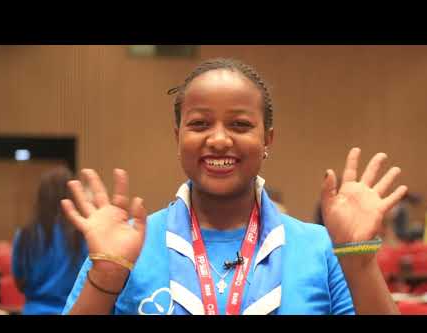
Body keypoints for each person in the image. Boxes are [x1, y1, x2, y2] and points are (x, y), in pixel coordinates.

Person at [61, 58, 407, 315]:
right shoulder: (126, 246)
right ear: (177, 137)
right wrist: (106, 275)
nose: (219, 139)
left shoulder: (319, 247)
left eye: (240, 125)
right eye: (199, 124)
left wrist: (360, 262)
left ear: (267, 139)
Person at [11, 166, 88, 314]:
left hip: (33, 310)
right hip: (73, 310)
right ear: (72, 195)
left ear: (40, 196)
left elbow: (19, 281)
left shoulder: (25, 235)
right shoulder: (82, 234)